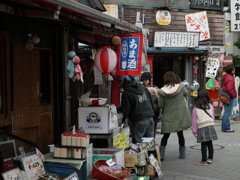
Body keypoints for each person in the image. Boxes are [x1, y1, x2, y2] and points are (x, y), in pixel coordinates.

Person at [157, 71, 191, 160]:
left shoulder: (162, 91)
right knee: (180, 134)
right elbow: (186, 93)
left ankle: (161, 155)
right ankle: (182, 155)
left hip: (168, 116)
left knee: (166, 135)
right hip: (179, 115)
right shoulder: (180, 87)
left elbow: (161, 105)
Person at [117, 75, 155, 143]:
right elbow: (150, 101)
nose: (119, 84)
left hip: (139, 120)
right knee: (150, 143)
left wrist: (119, 123)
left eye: (119, 82)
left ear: (122, 81)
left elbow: (125, 110)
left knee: (137, 145)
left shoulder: (127, 92)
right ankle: (151, 153)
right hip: (150, 118)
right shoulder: (143, 88)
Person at [192, 89, 218, 165]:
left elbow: (194, 121)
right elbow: (213, 116)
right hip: (210, 125)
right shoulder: (210, 106)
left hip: (202, 126)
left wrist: (195, 131)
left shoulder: (196, 107)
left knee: (203, 144)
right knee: (210, 143)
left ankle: (203, 160)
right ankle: (210, 158)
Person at [140, 72, 160, 138]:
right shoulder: (140, 89)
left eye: (146, 80)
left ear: (149, 80)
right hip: (144, 113)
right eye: (143, 80)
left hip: (154, 113)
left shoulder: (155, 89)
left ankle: (152, 143)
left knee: (152, 130)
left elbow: (159, 101)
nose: (144, 82)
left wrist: (158, 111)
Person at [221, 64, 237, 132]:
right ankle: (226, 127)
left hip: (224, 95)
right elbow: (229, 89)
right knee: (228, 112)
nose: (234, 70)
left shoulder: (225, 76)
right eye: (233, 69)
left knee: (226, 111)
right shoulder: (230, 78)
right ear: (232, 71)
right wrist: (233, 95)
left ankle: (224, 127)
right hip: (228, 95)